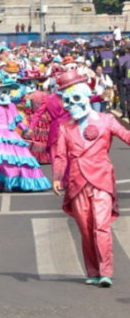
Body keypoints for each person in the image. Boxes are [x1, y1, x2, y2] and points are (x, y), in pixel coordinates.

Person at [53, 70, 130, 287]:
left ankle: (105, 271)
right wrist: (57, 177)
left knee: (101, 226)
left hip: (102, 179)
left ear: (87, 97)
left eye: (76, 99)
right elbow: (60, 155)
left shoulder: (107, 120)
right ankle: (93, 271)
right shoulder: (65, 127)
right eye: (67, 101)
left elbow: (126, 136)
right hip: (77, 182)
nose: (71, 105)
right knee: (86, 230)